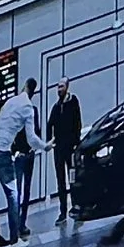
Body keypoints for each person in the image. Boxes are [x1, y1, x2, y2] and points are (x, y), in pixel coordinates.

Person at [0, 77, 45, 246]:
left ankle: (20, 225)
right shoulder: (28, 110)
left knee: (22, 191)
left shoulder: (25, 110)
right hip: (23, 155)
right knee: (19, 191)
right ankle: (17, 226)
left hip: (25, 154)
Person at [47, 79, 82, 228]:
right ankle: (62, 211)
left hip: (70, 148)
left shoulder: (73, 102)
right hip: (59, 150)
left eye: (61, 86)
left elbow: (77, 122)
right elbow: (50, 125)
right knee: (60, 180)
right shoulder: (56, 107)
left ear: (67, 87)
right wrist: (51, 142)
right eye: (57, 87)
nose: (58, 89)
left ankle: (76, 206)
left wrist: (76, 141)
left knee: (72, 178)